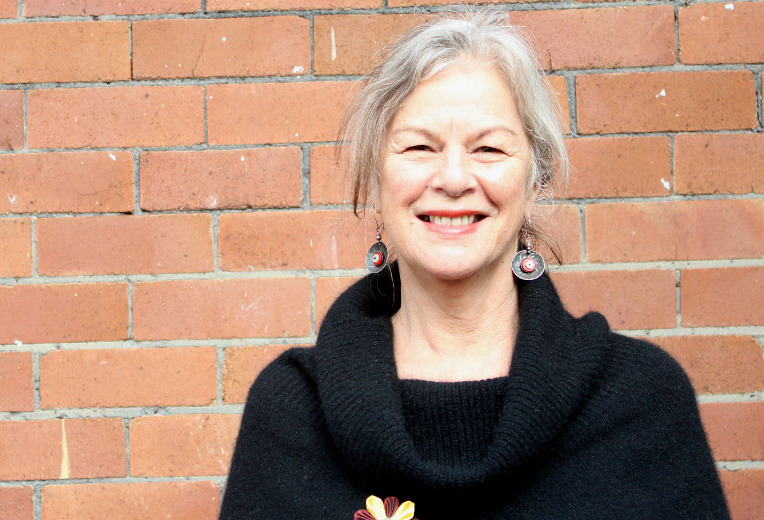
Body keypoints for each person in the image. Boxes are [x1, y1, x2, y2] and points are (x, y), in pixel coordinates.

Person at [219, 8, 730, 520]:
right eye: (420, 146)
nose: (455, 177)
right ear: (374, 181)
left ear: (534, 182)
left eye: (488, 148)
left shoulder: (639, 403)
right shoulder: (290, 413)